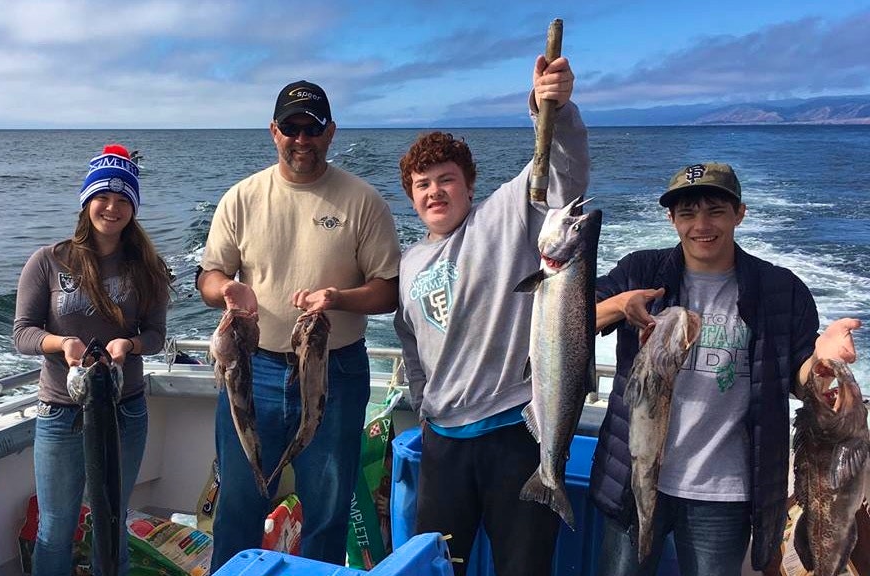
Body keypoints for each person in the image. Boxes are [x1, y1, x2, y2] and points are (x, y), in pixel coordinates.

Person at [590, 162, 862, 575]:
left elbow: (796, 376)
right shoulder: (641, 270)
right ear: (671, 219)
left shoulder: (780, 289)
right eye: (687, 213)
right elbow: (567, 325)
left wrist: (824, 361)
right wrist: (618, 305)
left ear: (740, 214)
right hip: (636, 477)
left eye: (716, 211)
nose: (701, 225)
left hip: (723, 491)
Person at [393, 55, 589, 576]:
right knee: (436, 568)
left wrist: (552, 108)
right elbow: (410, 343)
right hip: (445, 448)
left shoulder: (506, 215)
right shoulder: (409, 262)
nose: (435, 191)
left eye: (446, 179)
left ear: (470, 184)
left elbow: (564, 170)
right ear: (410, 196)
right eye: (422, 183)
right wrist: (425, 408)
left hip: (515, 435)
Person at [197, 80, 401, 568]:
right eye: (291, 127)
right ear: (273, 132)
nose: (301, 138)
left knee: (328, 510)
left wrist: (339, 298)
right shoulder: (242, 198)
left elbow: (389, 289)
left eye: (312, 128)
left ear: (330, 132)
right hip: (253, 371)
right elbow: (208, 275)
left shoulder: (363, 200)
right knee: (238, 504)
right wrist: (226, 290)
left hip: (336, 372)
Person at [13, 143, 171, 575]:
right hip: (61, 411)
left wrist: (130, 346)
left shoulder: (147, 267)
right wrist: (61, 345)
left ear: (133, 208)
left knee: (112, 519)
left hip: (125, 409)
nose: (112, 207)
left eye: (123, 199)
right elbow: (22, 332)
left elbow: (156, 335)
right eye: (103, 196)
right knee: (56, 526)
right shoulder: (48, 261)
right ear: (86, 201)